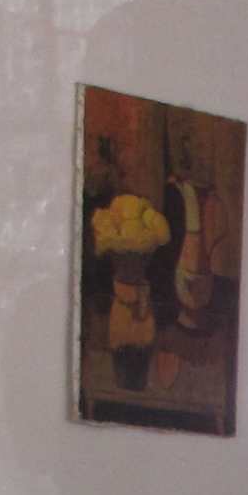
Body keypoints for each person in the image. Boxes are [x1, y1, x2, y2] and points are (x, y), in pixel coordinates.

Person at [86, 142, 174, 402]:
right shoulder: (110, 214)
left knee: (137, 366)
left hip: (137, 298)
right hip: (123, 298)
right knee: (123, 369)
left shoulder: (145, 216)